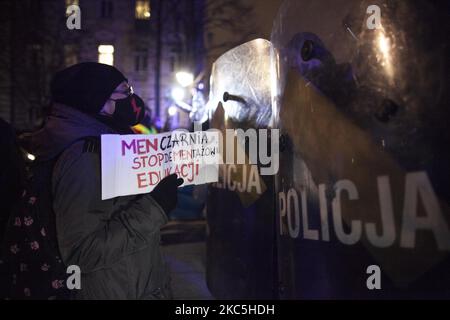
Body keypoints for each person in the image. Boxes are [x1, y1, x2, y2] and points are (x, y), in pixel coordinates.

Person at [29, 62, 182, 299]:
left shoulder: (108, 145)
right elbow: (81, 254)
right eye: (124, 92)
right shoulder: (84, 156)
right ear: (97, 101)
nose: (133, 99)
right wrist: (154, 207)